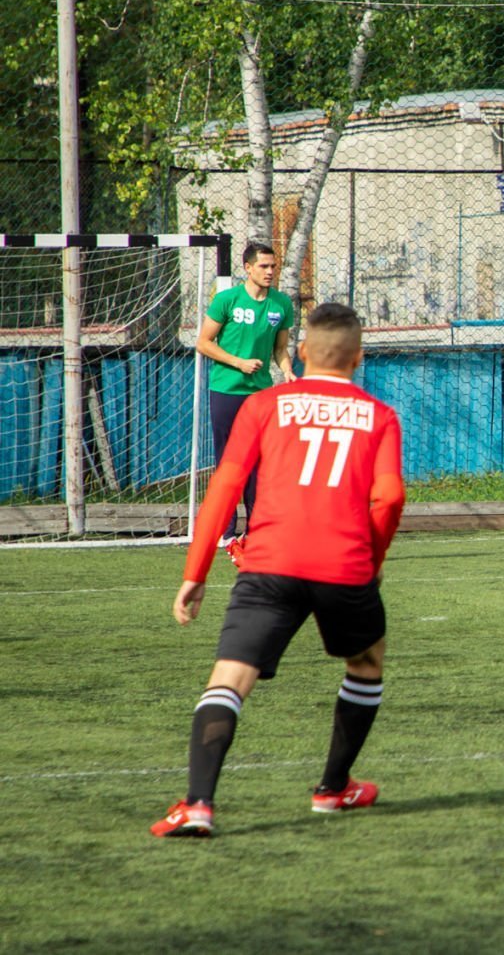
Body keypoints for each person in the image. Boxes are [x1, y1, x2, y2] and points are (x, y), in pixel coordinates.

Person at [152, 303, 405, 838]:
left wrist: (196, 571)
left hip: (270, 563)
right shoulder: (380, 416)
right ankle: (333, 788)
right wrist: (373, 561)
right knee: (366, 662)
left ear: (304, 351)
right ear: (358, 358)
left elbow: (225, 486)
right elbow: (389, 498)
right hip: (344, 565)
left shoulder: (264, 405)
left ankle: (198, 804)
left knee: (230, 678)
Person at [197, 240, 296, 549]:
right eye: (264, 266)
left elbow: (280, 349)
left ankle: (256, 531)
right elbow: (203, 343)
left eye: (273, 266)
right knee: (229, 462)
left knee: (258, 462)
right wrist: (238, 362)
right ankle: (226, 532)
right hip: (226, 390)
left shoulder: (281, 304)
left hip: (260, 395)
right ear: (248, 268)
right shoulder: (227, 300)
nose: (270, 271)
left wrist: (287, 371)